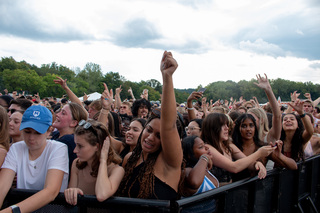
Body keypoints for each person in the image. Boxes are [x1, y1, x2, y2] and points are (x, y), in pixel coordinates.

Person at [117, 51, 183, 199]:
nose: (150, 137)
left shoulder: (169, 162)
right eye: (149, 130)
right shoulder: (129, 158)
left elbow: (169, 125)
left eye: (160, 136)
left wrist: (167, 76)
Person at [0, 105, 69, 212]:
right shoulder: (16, 148)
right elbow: (2, 186)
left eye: (37, 133)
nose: (31, 138)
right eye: (27, 132)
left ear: (49, 131)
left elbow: (50, 191)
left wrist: (12, 211)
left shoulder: (58, 148)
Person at [201, 113, 275, 185]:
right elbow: (234, 167)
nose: (227, 128)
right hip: (216, 193)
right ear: (213, 128)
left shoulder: (228, 145)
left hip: (229, 192)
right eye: (222, 125)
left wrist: (257, 163)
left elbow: (247, 161)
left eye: (227, 125)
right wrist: (259, 153)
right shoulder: (208, 148)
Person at [64, 119, 124, 205]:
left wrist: (103, 160)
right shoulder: (77, 164)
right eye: (75, 145)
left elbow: (102, 195)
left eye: (80, 146)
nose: (75, 150)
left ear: (97, 146)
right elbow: (71, 200)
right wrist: (72, 192)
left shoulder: (117, 170)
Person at [232, 113, 297, 178]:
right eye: (244, 126)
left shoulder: (263, 147)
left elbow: (294, 166)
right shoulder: (233, 147)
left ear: (255, 128)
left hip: (258, 186)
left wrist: (279, 156)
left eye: (251, 125)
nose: (248, 129)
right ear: (238, 128)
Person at [181, 135, 219, 213]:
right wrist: (204, 157)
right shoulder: (186, 171)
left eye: (204, 144)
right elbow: (195, 182)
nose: (207, 148)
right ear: (189, 154)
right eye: (201, 147)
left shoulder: (203, 168)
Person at [51, 102, 88, 172]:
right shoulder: (56, 134)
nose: (57, 114)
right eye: (59, 112)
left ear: (73, 123)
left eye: (63, 113)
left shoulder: (69, 140)